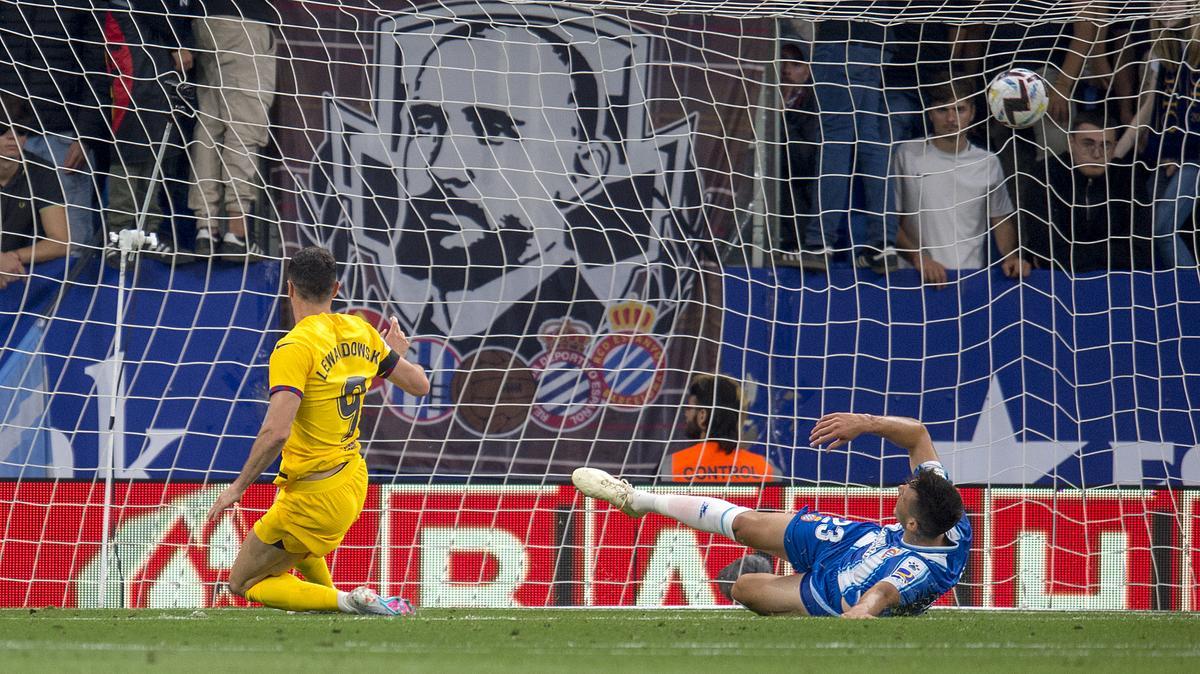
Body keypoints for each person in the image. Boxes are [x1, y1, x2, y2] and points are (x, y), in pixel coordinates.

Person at [205, 246, 430, 614]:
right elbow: (420, 384)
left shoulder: (295, 346)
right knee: (294, 536)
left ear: (289, 289)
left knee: (243, 582)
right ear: (337, 288)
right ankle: (335, 604)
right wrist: (393, 354)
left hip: (315, 494)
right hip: (351, 478)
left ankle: (349, 602)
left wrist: (237, 487)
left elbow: (276, 431)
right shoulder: (362, 331)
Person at [575, 412, 968, 618]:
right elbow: (918, 434)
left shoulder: (919, 568)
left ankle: (779, 574)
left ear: (914, 523)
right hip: (862, 542)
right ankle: (638, 500)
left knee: (744, 585)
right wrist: (864, 424)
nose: (901, 487)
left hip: (829, 595)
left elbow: (880, 593)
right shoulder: (947, 507)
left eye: (907, 492)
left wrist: (861, 614)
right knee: (747, 524)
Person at [891, 80, 1027, 285]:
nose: (951, 118)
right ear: (930, 113)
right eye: (942, 110)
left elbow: (1000, 219)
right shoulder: (907, 154)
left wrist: (1011, 257)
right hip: (915, 278)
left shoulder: (988, 162)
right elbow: (891, 220)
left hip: (969, 279)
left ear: (972, 113)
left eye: (959, 109)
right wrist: (919, 258)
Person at [0, 0, 109, 252]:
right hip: (7, 135)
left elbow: (96, 71)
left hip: (63, 137)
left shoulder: (85, 5)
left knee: (73, 245)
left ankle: (74, 293)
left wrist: (85, 135)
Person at [103, 0, 195, 265]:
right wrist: (179, 41)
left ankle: (149, 233)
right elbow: (161, 16)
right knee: (128, 148)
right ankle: (118, 235)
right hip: (130, 66)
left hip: (152, 65)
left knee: (155, 145)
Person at [189, 0, 279, 262]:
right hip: (243, 22)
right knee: (243, 127)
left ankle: (206, 229)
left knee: (210, 125)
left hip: (203, 21)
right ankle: (237, 232)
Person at [1113, 16, 1200, 268]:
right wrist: (1118, 152)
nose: (1165, 6)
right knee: (1148, 229)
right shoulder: (1162, 53)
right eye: (1158, 2)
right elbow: (1150, 108)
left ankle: (1190, 295)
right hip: (1165, 155)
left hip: (1193, 157)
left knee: (1163, 230)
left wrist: (1182, 154)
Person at [1023, 110, 1152, 273]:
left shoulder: (1128, 177)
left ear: (1114, 148)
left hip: (1116, 283)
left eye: (1105, 145)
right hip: (1055, 283)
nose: (1097, 154)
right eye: (1088, 144)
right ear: (1071, 143)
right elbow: (1045, 251)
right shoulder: (1045, 175)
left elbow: (1141, 253)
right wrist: (1110, 254)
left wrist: (1075, 256)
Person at [0, 94, 70, 290]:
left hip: (20, 272)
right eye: (2, 129)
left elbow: (60, 241)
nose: (12, 137)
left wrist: (11, 259)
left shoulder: (42, 173)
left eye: (21, 130)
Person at [659, 374, 780, 484]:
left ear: (702, 416)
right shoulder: (767, 469)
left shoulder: (670, 466)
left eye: (689, 408)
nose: (685, 414)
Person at [773, 43, 830, 271]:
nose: (786, 70)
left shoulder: (815, 105)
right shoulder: (751, 100)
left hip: (797, 201)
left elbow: (802, 162)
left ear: (807, 72)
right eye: (781, 61)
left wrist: (780, 117)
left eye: (795, 64)